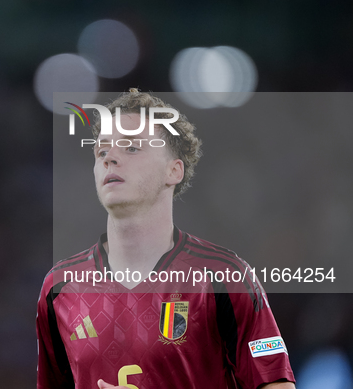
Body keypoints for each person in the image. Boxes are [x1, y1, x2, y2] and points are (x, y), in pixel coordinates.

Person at [36, 89, 296, 388]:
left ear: (173, 171)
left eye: (131, 148)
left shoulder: (224, 275)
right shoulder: (59, 287)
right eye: (102, 151)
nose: (110, 158)